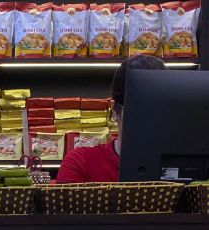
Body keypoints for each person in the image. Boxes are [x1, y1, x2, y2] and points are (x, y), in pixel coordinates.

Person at [55, 54, 166, 183]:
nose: (149, 122)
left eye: (158, 111)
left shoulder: (177, 164)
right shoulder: (80, 163)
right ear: (114, 111)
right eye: (137, 111)